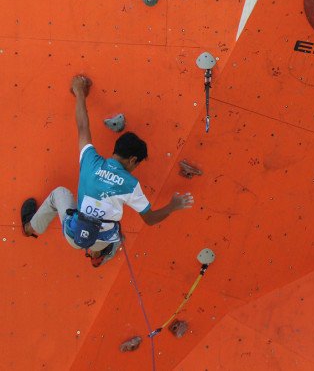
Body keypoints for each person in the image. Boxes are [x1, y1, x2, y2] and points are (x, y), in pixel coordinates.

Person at [20, 75, 194, 267]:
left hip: (74, 236)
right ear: (133, 160)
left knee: (59, 194)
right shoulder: (130, 185)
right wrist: (173, 205)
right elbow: (150, 219)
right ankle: (98, 256)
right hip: (103, 238)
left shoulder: (90, 160)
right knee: (114, 234)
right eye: (137, 165)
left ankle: (30, 227)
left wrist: (79, 92)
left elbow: (82, 126)